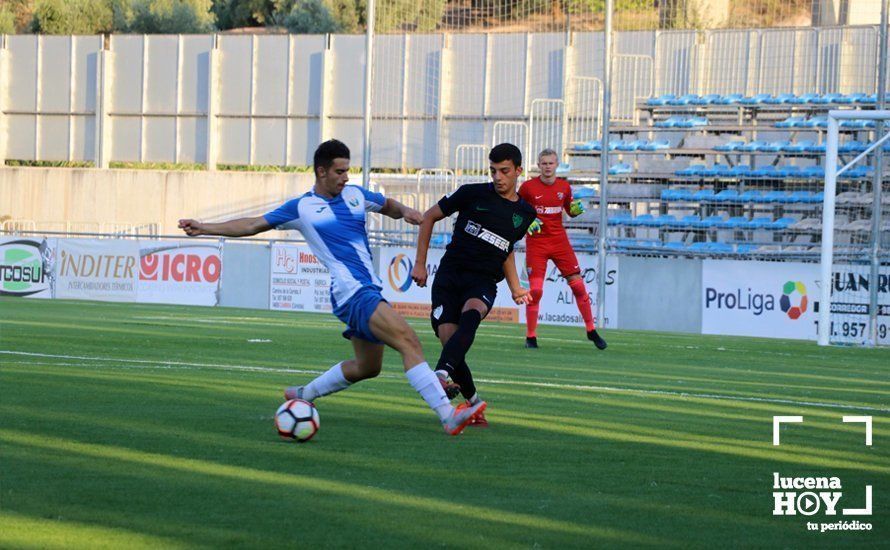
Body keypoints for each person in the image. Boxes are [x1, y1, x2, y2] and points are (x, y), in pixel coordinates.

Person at [179, 139, 486, 436]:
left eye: (347, 170)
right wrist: (205, 227)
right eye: (339, 171)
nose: (345, 177)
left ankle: (302, 393)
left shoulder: (354, 195)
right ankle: (447, 415)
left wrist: (406, 211)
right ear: (321, 171)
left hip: (366, 291)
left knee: (368, 367)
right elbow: (251, 225)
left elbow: (387, 205)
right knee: (409, 341)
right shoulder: (302, 207)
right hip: (352, 291)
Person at [411, 143, 535, 427]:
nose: (498, 177)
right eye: (493, 171)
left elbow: (506, 248)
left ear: (518, 171)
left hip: (482, 281)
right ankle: (475, 403)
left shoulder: (525, 214)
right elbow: (429, 216)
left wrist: (515, 287)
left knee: (471, 317)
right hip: (449, 276)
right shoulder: (471, 193)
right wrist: (419, 263)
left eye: (504, 171)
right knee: (450, 341)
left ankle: (440, 376)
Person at [518, 148, 607, 350]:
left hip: (559, 242)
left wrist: (575, 211)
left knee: (577, 286)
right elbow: (515, 209)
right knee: (537, 290)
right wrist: (526, 222)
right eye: (544, 163)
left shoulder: (564, 187)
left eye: (551, 163)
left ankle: (591, 330)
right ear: (538, 165)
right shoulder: (528, 188)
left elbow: (569, 210)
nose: (548, 167)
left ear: (557, 164)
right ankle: (531, 337)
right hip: (537, 243)